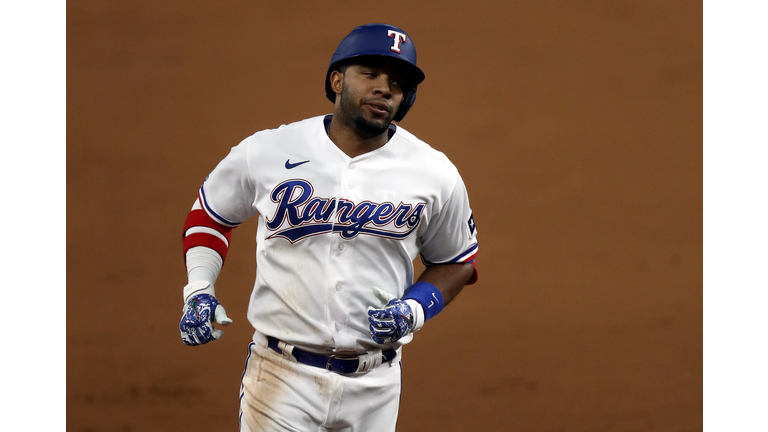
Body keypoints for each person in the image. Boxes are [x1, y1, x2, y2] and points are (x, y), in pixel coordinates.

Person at [179, 23, 479, 431]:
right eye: (370, 74)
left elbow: (457, 261)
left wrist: (415, 309)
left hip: (376, 385)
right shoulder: (269, 150)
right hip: (282, 378)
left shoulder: (434, 173)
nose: (384, 88)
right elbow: (210, 216)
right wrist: (198, 289)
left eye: (396, 82)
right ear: (336, 80)